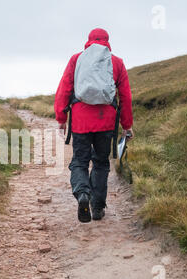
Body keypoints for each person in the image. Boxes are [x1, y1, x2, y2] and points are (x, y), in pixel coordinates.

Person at [54, 28, 134, 223]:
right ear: (108, 41)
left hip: (81, 121)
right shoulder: (117, 62)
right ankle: (97, 207)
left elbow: (65, 88)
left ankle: (83, 193)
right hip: (106, 121)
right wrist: (127, 124)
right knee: (100, 162)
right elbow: (125, 96)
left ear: (88, 40)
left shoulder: (76, 59)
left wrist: (61, 118)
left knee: (80, 161)